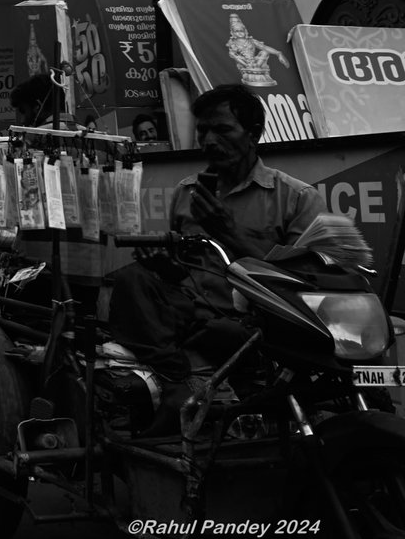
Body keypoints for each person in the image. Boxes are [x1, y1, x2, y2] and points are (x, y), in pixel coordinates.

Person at [107, 84, 324, 413]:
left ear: (253, 133)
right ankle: (174, 380)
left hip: (255, 327)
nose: (209, 141)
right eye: (202, 131)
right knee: (130, 280)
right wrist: (165, 266)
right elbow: (184, 270)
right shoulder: (187, 192)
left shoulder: (295, 197)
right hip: (192, 320)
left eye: (222, 130)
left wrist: (229, 233)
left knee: (219, 340)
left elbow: (303, 282)